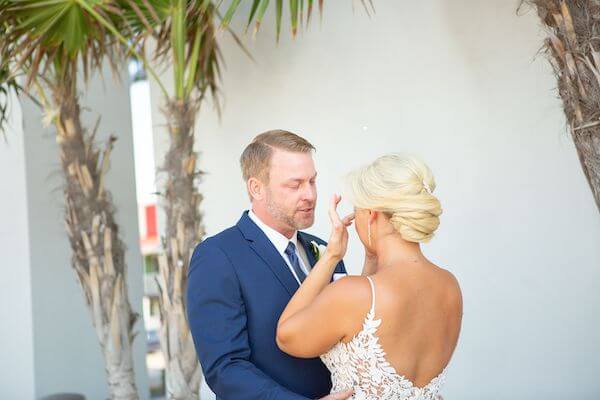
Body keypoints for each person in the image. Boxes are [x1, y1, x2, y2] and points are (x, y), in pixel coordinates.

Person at [276, 154, 463, 400]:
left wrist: (331, 255)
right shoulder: (449, 286)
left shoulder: (356, 293)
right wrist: (372, 256)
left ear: (372, 215)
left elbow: (287, 337)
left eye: (357, 211)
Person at [187, 130, 354, 399]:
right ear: (256, 188)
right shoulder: (217, 256)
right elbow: (225, 368)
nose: (309, 195)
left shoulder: (325, 249)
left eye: (312, 181)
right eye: (295, 184)